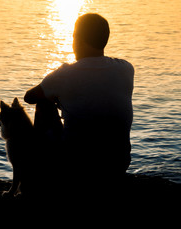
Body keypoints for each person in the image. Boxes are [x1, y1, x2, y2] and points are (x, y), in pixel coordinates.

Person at [24, 13, 134, 182]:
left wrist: (57, 98)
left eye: (74, 36)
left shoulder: (66, 74)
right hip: (118, 164)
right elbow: (98, 97)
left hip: (78, 166)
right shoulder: (126, 69)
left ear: (78, 39)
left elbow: (29, 97)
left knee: (43, 104)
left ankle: (38, 179)